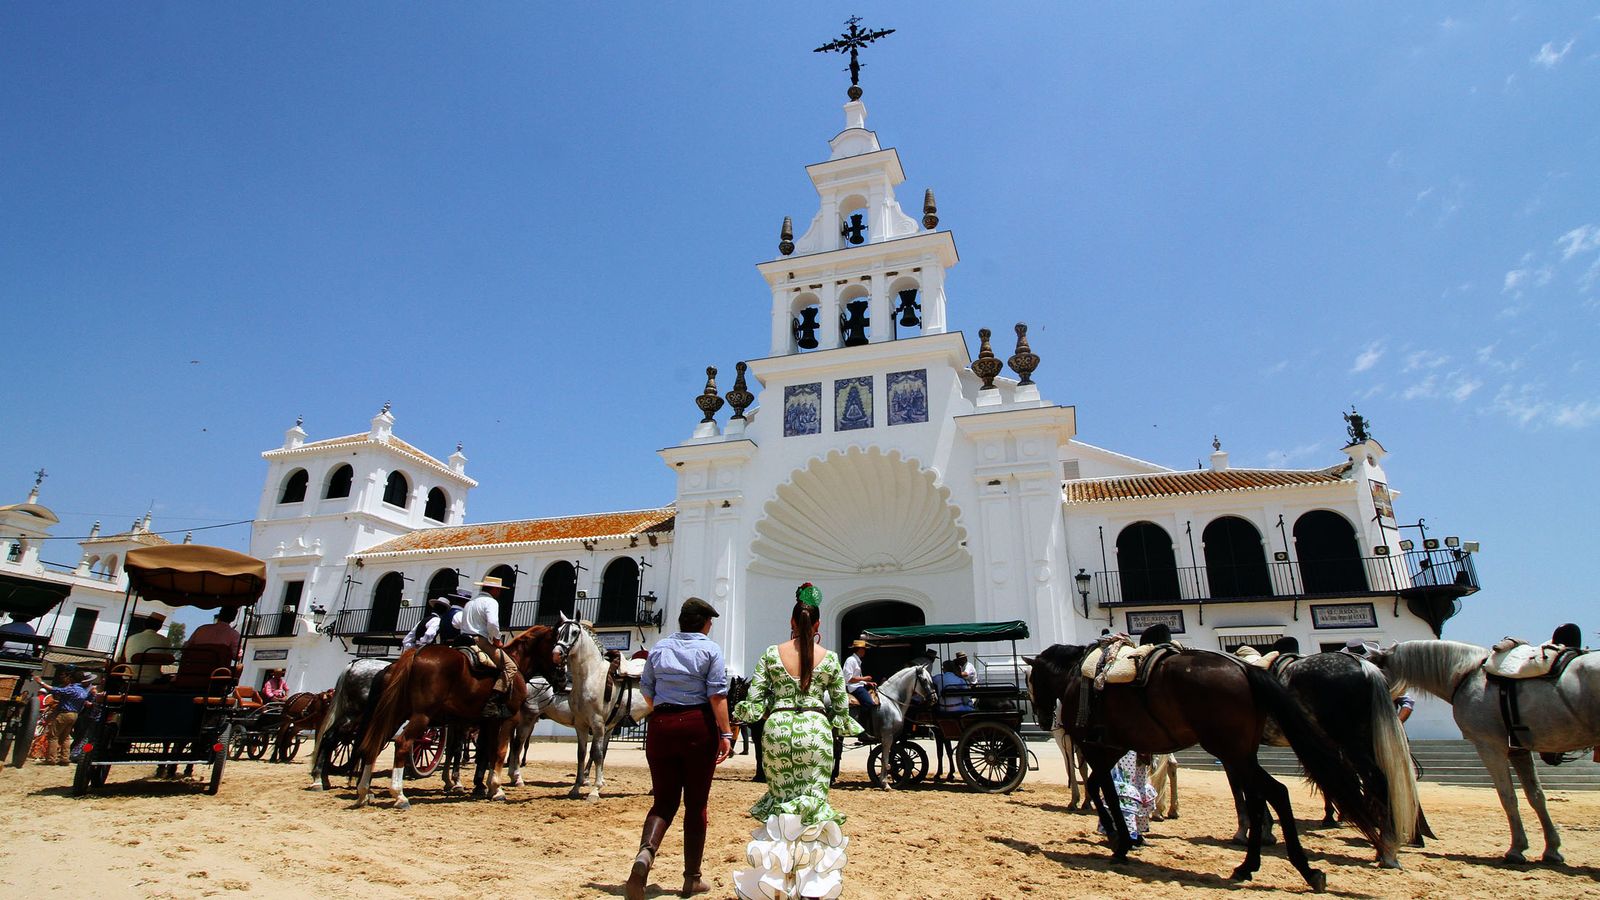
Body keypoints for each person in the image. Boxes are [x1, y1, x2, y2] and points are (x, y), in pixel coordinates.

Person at [732, 583, 860, 900]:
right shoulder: (829, 659)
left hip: (778, 731)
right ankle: (811, 885)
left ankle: (776, 881)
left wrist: (746, 712)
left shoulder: (771, 655)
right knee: (813, 807)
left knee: (781, 805)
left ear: (792, 622)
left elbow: (756, 703)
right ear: (817, 625)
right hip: (815, 732)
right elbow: (841, 709)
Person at [626, 597, 733, 900]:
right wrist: (726, 732)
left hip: (661, 726)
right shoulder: (710, 649)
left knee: (663, 802)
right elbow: (716, 695)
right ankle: (691, 879)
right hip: (697, 725)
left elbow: (647, 692)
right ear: (703, 623)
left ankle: (644, 857)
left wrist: (664, 711)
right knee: (696, 805)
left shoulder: (659, 647)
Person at [458, 578, 515, 717]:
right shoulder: (491, 602)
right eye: (499, 590)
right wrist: (496, 639)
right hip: (480, 641)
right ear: (494, 589)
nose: (500, 592)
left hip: (462, 640)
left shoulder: (469, 603)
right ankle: (492, 702)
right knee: (510, 667)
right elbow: (493, 623)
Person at [35, 670, 93, 765]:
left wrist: (41, 682)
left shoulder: (72, 689)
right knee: (65, 737)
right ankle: (65, 758)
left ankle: (51, 759)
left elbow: (56, 690)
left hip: (65, 713)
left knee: (53, 736)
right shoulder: (83, 690)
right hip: (75, 714)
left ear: (72, 678)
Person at [118, 612, 170, 684]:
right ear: (160, 627)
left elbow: (119, 658)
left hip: (128, 677)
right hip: (154, 680)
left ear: (144, 624)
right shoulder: (165, 640)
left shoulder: (131, 638)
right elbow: (166, 660)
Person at [841, 638, 876, 739]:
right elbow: (848, 679)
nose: (865, 651)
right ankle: (861, 731)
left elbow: (857, 679)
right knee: (869, 703)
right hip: (853, 688)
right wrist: (864, 678)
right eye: (864, 649)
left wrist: (867, 682)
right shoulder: (850, 660)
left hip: (858, 685)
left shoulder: (857, 661)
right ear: (859, 649)